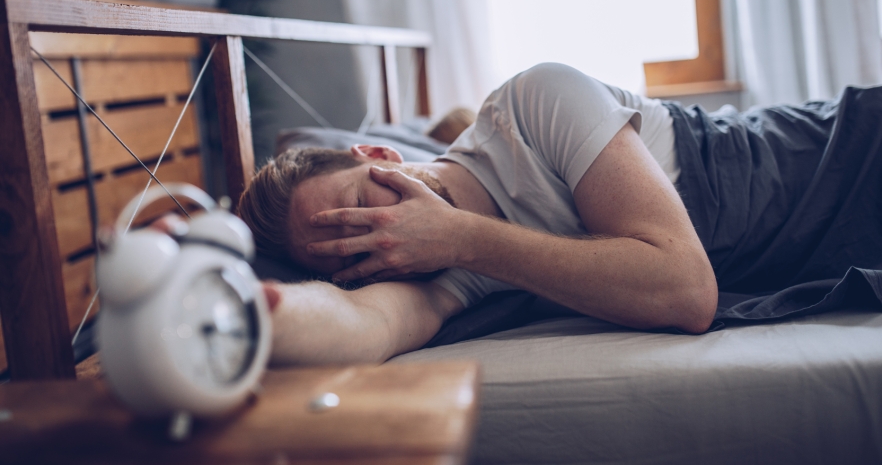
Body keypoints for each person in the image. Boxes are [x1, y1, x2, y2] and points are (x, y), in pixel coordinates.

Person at [237, 62, 882, 367]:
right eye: (347, 256)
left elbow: (684, 287)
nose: (373, 238)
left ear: (379, 153)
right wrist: (247, 310)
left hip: (839, 155)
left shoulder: (530, 105)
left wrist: (465, 238)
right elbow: (359, 326)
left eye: (355, 209)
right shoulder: (430, 271)